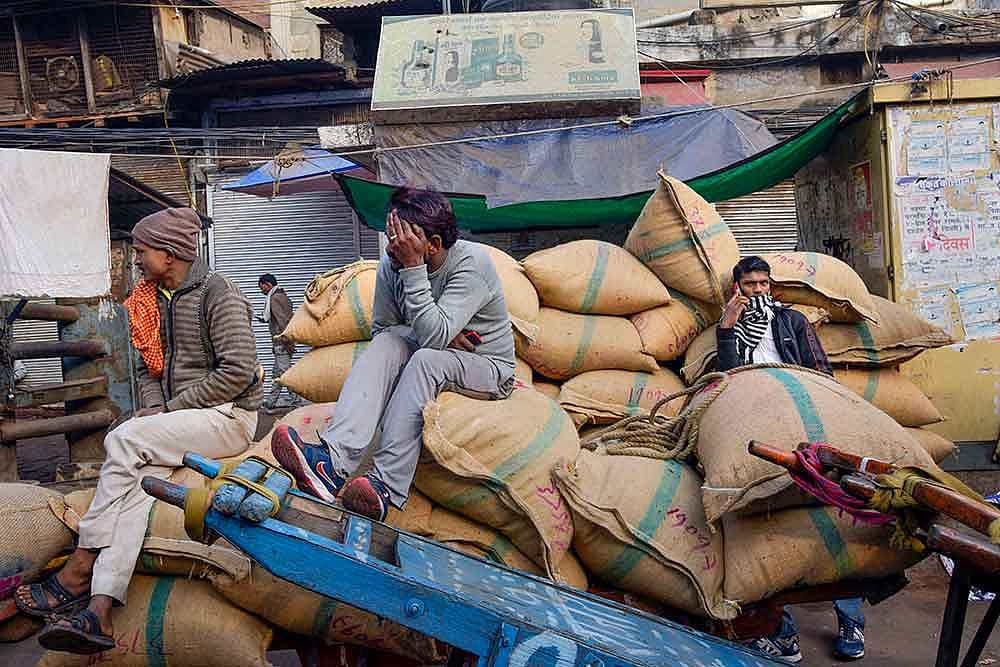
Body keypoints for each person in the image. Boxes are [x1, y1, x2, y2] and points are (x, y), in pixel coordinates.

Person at [15, 207, 262, 654]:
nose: (136, 261)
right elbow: (150, 369)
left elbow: (239, 372)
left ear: (169, 254)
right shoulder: (153, 299)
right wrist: (155, 408)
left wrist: (166, 410)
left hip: (228, 418)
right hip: (181, 421)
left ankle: (81, 563)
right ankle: (99, 611)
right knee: (136, 493)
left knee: (122, 438)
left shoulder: (217, 295)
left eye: (142, 252)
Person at [271, 186, 515, 521]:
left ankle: (386, 485)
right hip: (434, 350)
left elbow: (432, 340)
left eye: (405, 239)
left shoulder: (470, 263)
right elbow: (385, 329)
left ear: (434, 243)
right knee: (388, 345)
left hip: (488, 368)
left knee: (426, 360)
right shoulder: (392, 262)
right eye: (391, 235)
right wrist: (436, 331)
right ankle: (332, 462)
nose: (394, 245)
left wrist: (414, 271)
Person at [716, 255, 864, 663]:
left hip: (800, 414)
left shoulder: (791, 321)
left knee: (833, 513)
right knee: (767, 521)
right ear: (737, 289)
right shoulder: (728, 326)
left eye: (764, 284)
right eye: (750, 286)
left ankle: (850, 619)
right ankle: (781, 630)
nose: (758, 292)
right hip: (755, 421)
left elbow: (820, 371)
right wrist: (729, 325)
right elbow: (728, 374)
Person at [257, 273, 301, 412]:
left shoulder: (274, 299)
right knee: (277, 374)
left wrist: (287, 342)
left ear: (268, 285)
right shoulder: (283, 296)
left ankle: (296, 402)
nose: (261, 290)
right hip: (282, 341)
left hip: (282, 342)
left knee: (285, 374)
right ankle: (271, 402)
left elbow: (282, 322)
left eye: (262, 287)